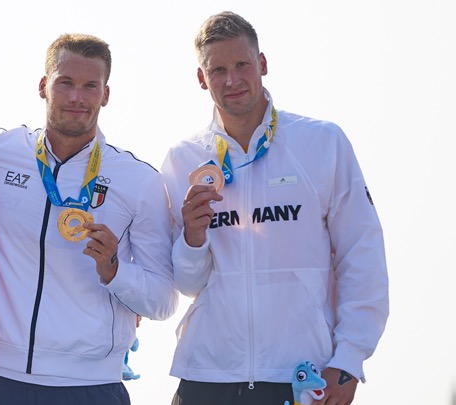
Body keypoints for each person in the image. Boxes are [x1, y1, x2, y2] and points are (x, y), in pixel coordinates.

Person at [161, 11, 389, 405]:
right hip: (206, 374)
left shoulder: (322, 143)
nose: (232, 80)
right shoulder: (184, 159)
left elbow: (362, 254)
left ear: (262, 64)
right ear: (202, 79)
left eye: (242, 65)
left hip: (300, 374)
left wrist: (350, 359)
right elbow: (187, 283)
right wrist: (193, 239)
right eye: (218, 70)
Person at [0, 33, 178, 405]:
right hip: (2, 379)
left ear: (106, 95)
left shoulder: (140, 181)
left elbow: (163, 301)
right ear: (43, 86)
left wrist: (115, 270)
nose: (76, 98)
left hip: (91, 387)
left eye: (89, 86)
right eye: (65, 83)